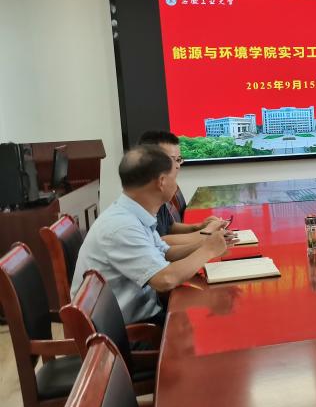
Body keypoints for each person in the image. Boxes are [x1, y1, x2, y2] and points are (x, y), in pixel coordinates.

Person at [71, 145, 234, 324]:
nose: (176, 184)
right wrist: (208, 251)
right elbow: (165, 279)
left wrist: (206, 244)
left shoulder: (133, 213)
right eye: (175, 177)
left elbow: (165, 252)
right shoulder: (122, 226)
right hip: (131, 331)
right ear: (161, 182)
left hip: (148, 307)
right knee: (221, 320)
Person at [137, 131, 223, 245]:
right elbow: (160, 243)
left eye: (178, 159)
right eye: (172, 159)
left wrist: (198, 227)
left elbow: (169, 226)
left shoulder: (159, 191)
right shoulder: (142, 200)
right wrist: (207, 233)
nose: (177, 165)